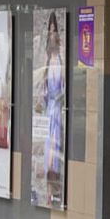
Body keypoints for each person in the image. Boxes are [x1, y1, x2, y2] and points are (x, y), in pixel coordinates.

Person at [37, 12, 65, 207]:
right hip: (50, 112)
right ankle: (49, 191)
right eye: (50, 33)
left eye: (55, 33)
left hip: (58, 111)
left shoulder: (61, 62)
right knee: (50, 151)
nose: (52, 36)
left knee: (56, 149)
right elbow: (44, 91)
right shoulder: (47, 63)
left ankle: (55, 188)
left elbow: (63, 88)